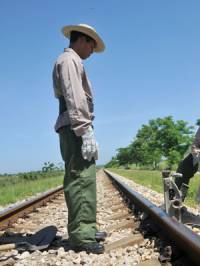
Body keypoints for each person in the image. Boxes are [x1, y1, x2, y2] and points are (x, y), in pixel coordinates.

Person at [52, 24, 106, 254]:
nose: (92, 51)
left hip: (75, 125)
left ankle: (87, 227)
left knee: (86, 176)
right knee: (80, 178)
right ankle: (81, 236)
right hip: (75, 127)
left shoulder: (73, 61)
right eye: (92, 45)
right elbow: (74, 96)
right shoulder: (69, 61)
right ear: (82, 40)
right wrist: (84, 129)